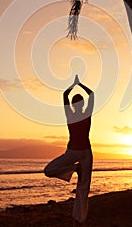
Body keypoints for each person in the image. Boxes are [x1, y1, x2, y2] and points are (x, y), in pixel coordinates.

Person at [44, 75, 94, 226]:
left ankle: (79, 220)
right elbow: (90, 94)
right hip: (73, 152)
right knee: (49, 170)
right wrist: (79, 85)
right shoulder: (73, 115)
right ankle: (74, 168)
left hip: (85, 153)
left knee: (83, 187)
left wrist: (74, 85)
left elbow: (67, 95)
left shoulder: (81, 114)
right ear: (74, 104)